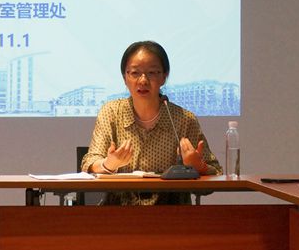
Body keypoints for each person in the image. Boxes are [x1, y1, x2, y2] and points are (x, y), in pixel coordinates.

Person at [81, 41, 222, 205]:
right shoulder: (111, 113)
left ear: (164, 77)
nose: (143, 80)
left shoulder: (183, 120)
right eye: (135, 73)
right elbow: (89, 163)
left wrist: (198, 167)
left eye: (152, 73)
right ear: (125, 77)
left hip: (172, 214)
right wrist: (108, 164)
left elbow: (215, 174)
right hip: (119, 213)